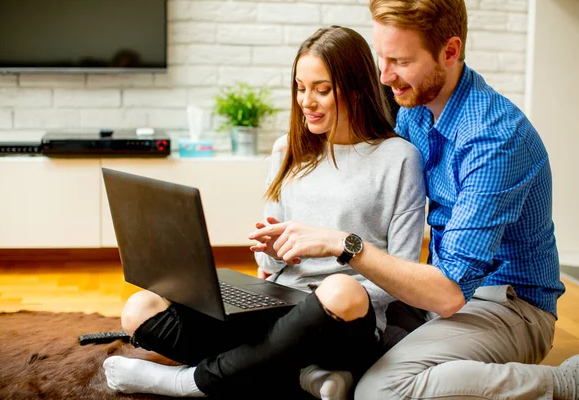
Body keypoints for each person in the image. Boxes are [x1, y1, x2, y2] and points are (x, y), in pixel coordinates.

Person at [250, 1, 579, 399]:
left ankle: (565, 383)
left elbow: (449, 293)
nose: (385, 77)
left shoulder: (495, 140)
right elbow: (350, 133)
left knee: (382, 391)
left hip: (505, 304)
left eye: (400, 61)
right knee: (299, 328)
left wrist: (343, 243)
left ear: (451, 51)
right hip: (430, 291)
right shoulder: (414, 104)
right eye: (381, 58)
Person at [102, 26, 426, 400]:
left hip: (345, 317)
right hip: (279, 303)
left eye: (322, 89)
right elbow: (270, 268)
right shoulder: (287, 149)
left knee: (341, 288)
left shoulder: (399, 158)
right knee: (140, 308)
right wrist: (269, 253)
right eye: (300, 88)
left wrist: (332, 290)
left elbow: (402, 276)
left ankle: (190, 383)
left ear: (355, 90)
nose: (307, 101)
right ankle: (306, 374)